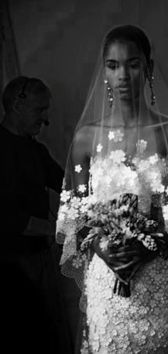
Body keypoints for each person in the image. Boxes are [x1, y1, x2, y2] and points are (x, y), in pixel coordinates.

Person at [56, 26, 168, 353]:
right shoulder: (85, 139)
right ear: (104, 71)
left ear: (148, 67)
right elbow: (75, 219)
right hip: (107, 285)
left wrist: (151, 241)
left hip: (162, 282)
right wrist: (105, 242)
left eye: (132, 64)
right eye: (113, 65)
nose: (122, 75)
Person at [0, 76, 70, 353]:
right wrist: (59, 229)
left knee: (51, 330)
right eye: (40, 110)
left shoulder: (35, 149)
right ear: (18, 104)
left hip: (39, 257)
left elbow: (67, 184)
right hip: (11, 265)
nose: (46, 118)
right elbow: (8, 217)